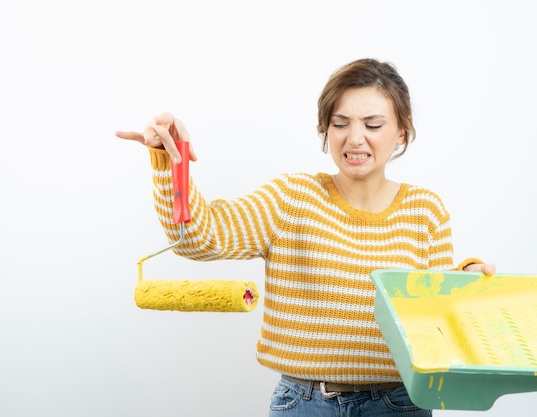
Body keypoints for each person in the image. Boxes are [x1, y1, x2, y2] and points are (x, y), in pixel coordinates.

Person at [116, 58, 495, 417]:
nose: (355, 138)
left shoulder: (425, 210)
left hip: (398, 404)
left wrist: (465, 281)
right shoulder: (292, 199)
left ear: (402, 131)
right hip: (304, 403)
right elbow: (199, 238)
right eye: (340, 123)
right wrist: (169, 160)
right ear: (325, 129)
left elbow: (436, 321)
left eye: (373, 125)